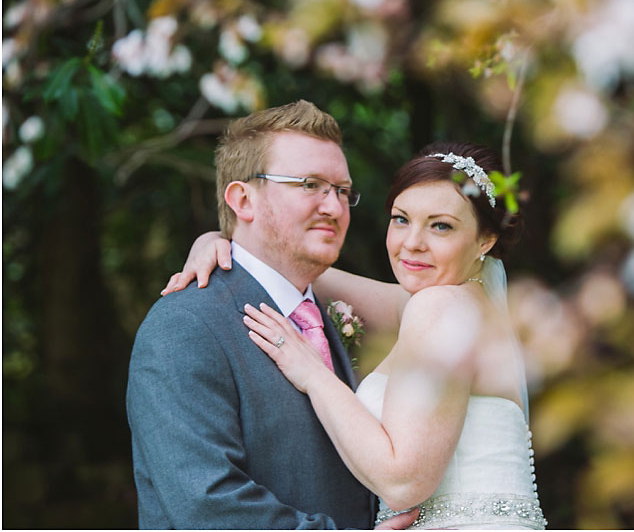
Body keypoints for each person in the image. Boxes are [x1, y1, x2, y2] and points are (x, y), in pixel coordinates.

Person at [165, 142, 548, 530]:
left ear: (486, 240)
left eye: (441, 226)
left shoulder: (440, 308)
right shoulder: (460, 306)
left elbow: (403, 483)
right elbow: (298, 270)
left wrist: (312, 374)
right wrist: (218, 241)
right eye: (401, 219)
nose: (412, 242)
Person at [125, 100, 417, 529]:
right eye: (310, 184)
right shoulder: (184, 325)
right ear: (243, 199)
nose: (334, 208)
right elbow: (206, 505)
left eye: (341, 190)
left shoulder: (325, 316)